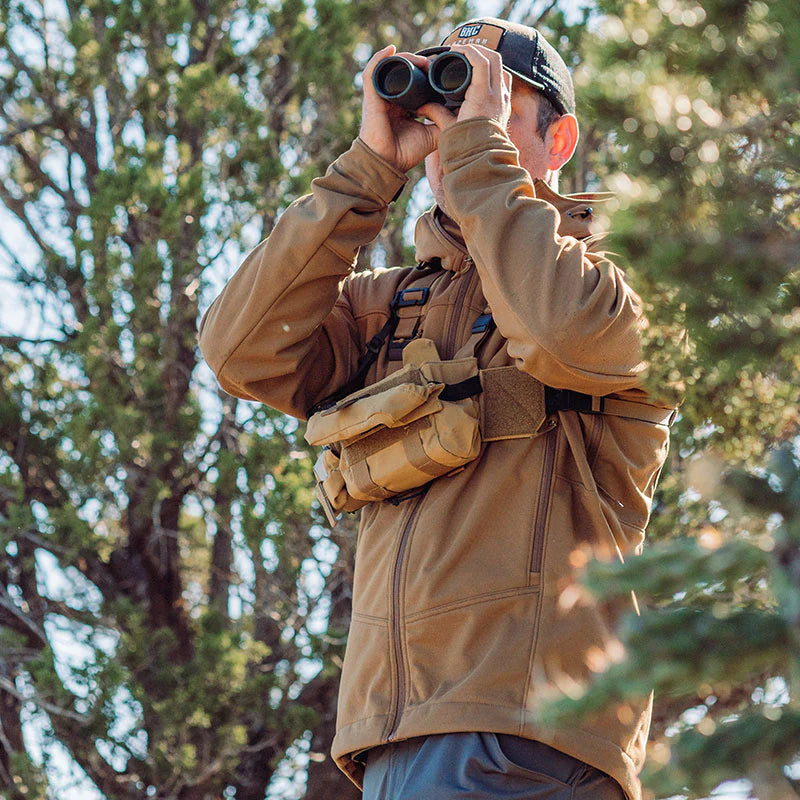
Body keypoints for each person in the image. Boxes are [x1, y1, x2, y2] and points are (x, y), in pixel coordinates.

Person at [199, 17, 674, 800]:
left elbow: (558, 329)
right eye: (444, 111)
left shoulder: (621, 282)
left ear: (559, 140)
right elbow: (239, 352)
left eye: (495, 108)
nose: (456, 133)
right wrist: (366, 170)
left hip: (528, 728)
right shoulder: (389, 305)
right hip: (391, 736)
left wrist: (480, 159)